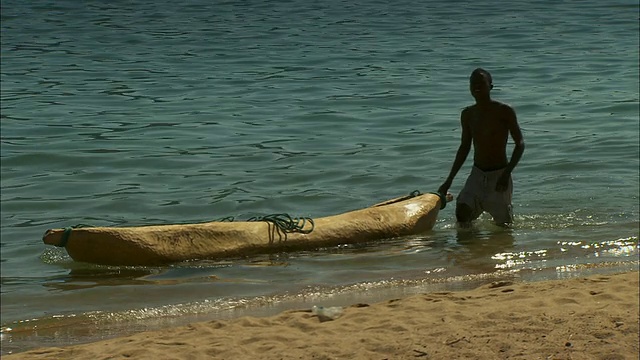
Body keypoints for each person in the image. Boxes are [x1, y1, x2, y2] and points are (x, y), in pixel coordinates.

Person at [438, 68, 525, 227]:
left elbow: (520, 144)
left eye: (481, 83)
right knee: (462, 212)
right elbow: (464, 148)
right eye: (473, 84)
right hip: (477, 174)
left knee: (503, 227)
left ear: (490, 86)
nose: (477, 87)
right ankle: (473, 250)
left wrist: (506, 174)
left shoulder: (503, 111)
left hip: (499, 175)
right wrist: (448, 181)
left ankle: (493, 249)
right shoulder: (468, 114)